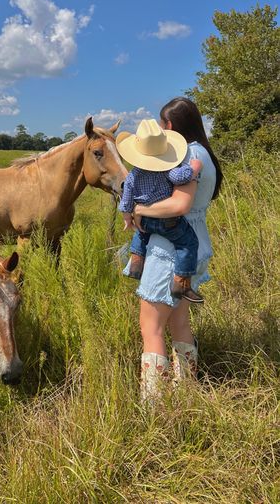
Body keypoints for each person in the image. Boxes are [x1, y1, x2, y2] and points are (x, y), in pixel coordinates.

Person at [116, 97, 223, 403]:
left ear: (170, 126)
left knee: (150, 326)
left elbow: (179, 204)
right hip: (197, 245)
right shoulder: (205, 154)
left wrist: (138, 208)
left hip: (170, 250)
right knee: (179, 322)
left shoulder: (187, 154)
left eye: (163, 125)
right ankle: (186, 392)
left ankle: (154, 406)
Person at [117, 119, 204, 304]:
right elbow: (183, 177)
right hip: (165, 218)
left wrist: (127, 218)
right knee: (188, 243)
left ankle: (136, 264)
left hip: (145, 219)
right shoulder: (168, 170)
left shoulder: (133, 175)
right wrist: (196, 167)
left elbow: (126, 198)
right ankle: (181, 284)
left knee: (141, 234)